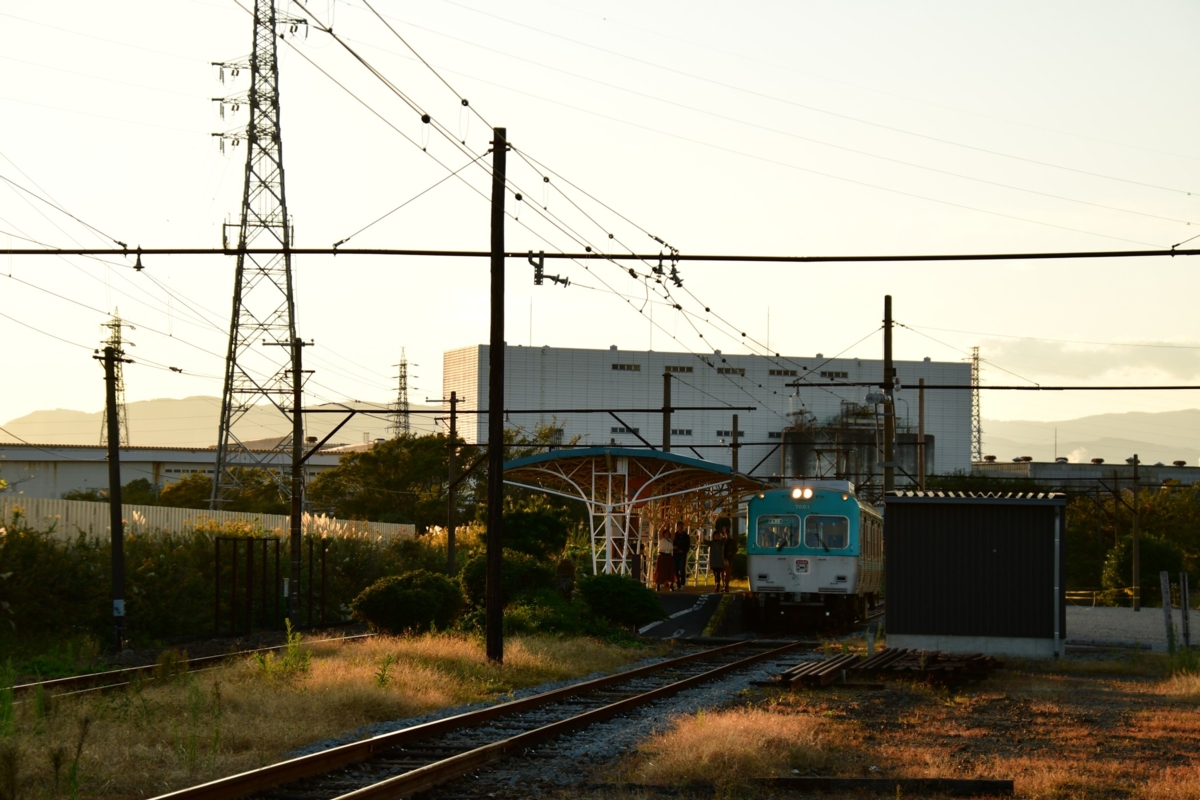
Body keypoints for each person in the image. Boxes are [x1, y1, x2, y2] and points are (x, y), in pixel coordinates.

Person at [654, 525, 675, 590]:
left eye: (668, 533)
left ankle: (671, 585)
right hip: (662, 556)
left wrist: (673, 525)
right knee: (660, 571)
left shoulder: (671, 540)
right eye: (665, 533)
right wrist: (664, 524)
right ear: (663, 534)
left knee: (670, 571)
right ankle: (658, 585)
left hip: (669, 556)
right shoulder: (661, 539)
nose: (667, 534)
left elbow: (673, 533)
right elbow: (660, 532)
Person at [673, 522, 691, 590]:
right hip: (675, 554)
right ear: (677, 527)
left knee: (682, 568)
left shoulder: (686, 536)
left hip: (682, 554)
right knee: (675, 569)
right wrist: (674, 548)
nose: (681, 528)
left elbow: (688, 546)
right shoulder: (674, 535)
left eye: (682, 526)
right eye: (679, 526)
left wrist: (683, 550)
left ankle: (682, 583)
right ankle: (678, 583)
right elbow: (671, 543)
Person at [721, 520, 737, 593]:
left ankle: (726, 586)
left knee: (727, 574)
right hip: (722, 559)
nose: (727, 534)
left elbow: (735, 549)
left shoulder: (732, 541)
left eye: (727, 533)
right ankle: (723, 585)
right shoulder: (722, 541)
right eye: (725, 533)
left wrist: (731, 552)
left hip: (729, 559)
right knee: (722, 573)